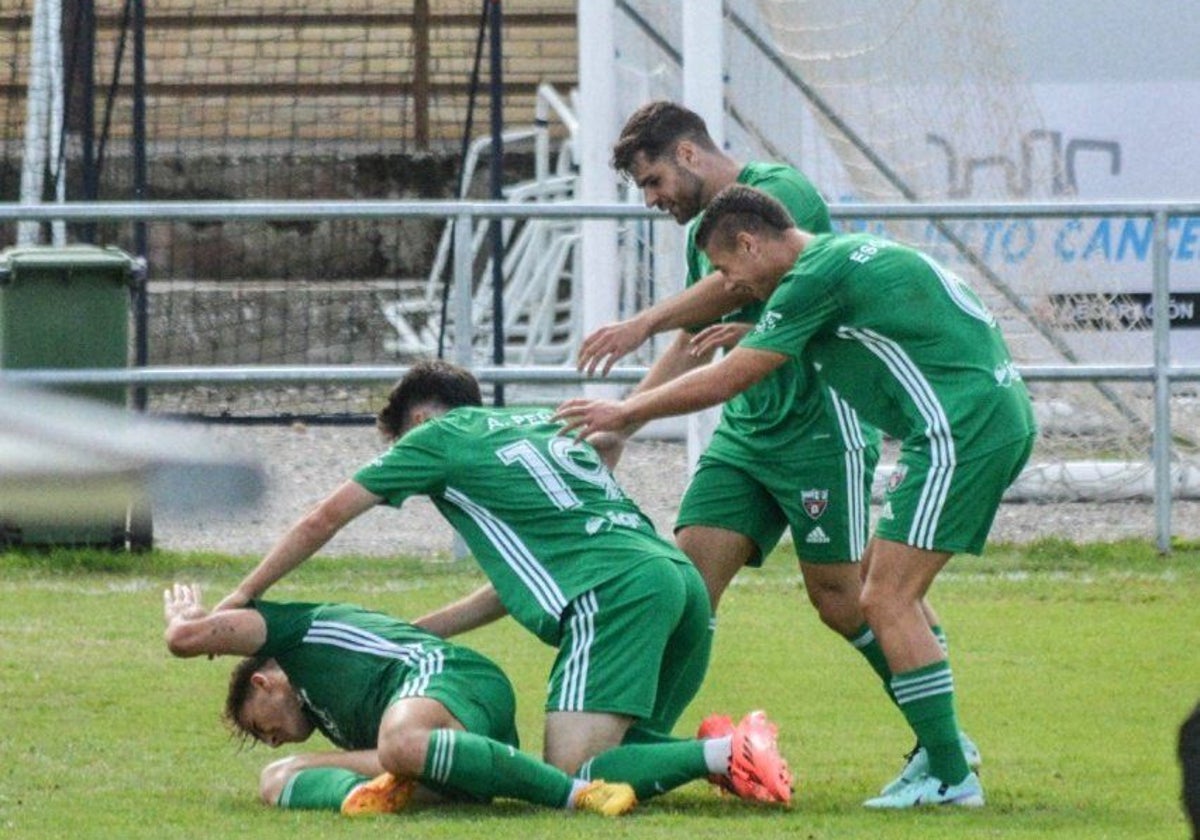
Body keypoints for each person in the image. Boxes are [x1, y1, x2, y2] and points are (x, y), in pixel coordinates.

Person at [556, 184, 1038, 808]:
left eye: (729, 270)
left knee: (884, 597)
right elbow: (863, 324)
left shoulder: (812, 276)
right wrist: (763, 325)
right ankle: (941, 753)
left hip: (958, 429)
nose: (732, 284)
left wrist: (625, 409)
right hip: (974, 420)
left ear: (752, 242)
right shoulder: (835, 261)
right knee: (883, 594)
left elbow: (734, 374)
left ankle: (949, 767)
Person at [210, 359, 793, 807]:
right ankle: (719, 754)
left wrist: (241, 594)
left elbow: (323, 518)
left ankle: (726, 749)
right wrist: (411, 634)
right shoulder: (534, 422)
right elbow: (512, 587)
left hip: (613, 595)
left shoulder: (435, 439)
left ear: (417, 422)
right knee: (619, 757)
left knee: (568, 777)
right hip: (675, 579)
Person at [162, 582, 637, 816]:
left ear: (264, 683)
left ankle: (577, 794)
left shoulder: (294, 635)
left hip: (454, 677)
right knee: (276, 778)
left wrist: (195, 625)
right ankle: (361, 798)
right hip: (451, 747)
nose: (270, 739)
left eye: (260, 726)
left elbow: (189, 640)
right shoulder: (327, 712)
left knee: (400, 741)